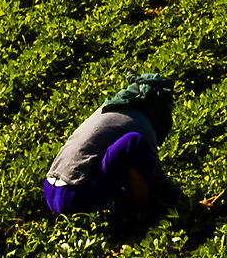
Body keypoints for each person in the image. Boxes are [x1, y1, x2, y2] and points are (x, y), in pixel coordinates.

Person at [42, 73, 187, 218]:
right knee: (134, 143)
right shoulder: (142, 123)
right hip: (74, 197)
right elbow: (156, 175)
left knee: (124, 154)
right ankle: (143, 216)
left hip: (50, 191)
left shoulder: (106, 111)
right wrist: (184, 202)